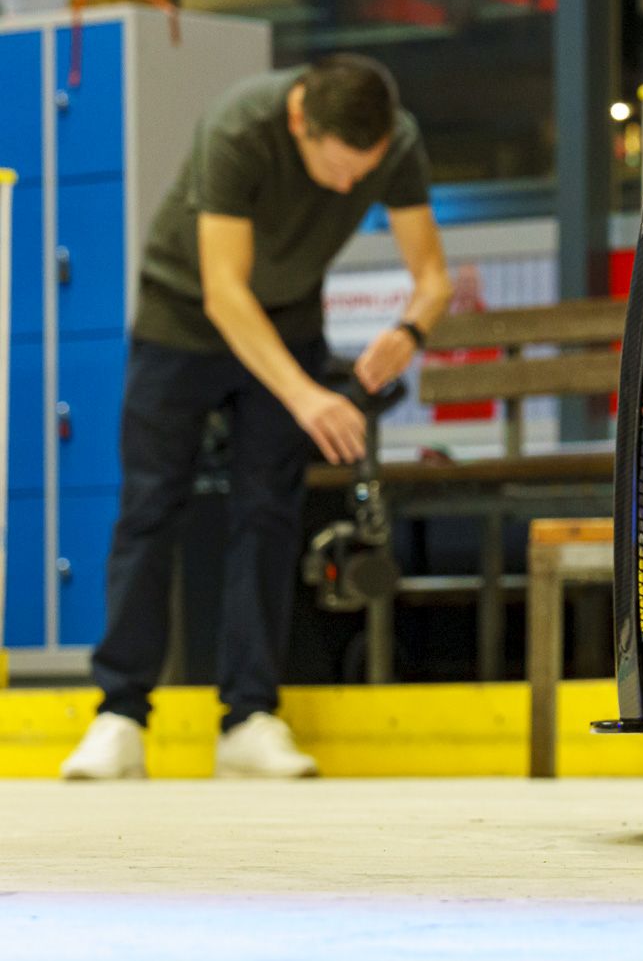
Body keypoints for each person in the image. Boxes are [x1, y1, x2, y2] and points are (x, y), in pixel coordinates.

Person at [60, 55, 452, 780]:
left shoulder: (394, 142)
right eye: (337, 170)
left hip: (290, 319)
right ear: (301, 121)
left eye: (361, 175)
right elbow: (224, 291)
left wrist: (410, 331)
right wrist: (306, 395)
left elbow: (432, 275)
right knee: (151, 505)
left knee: (269, 512)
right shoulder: (240, 127)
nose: (347, 188)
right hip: (182, 319)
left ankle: (248, 716)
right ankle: (120, 714)